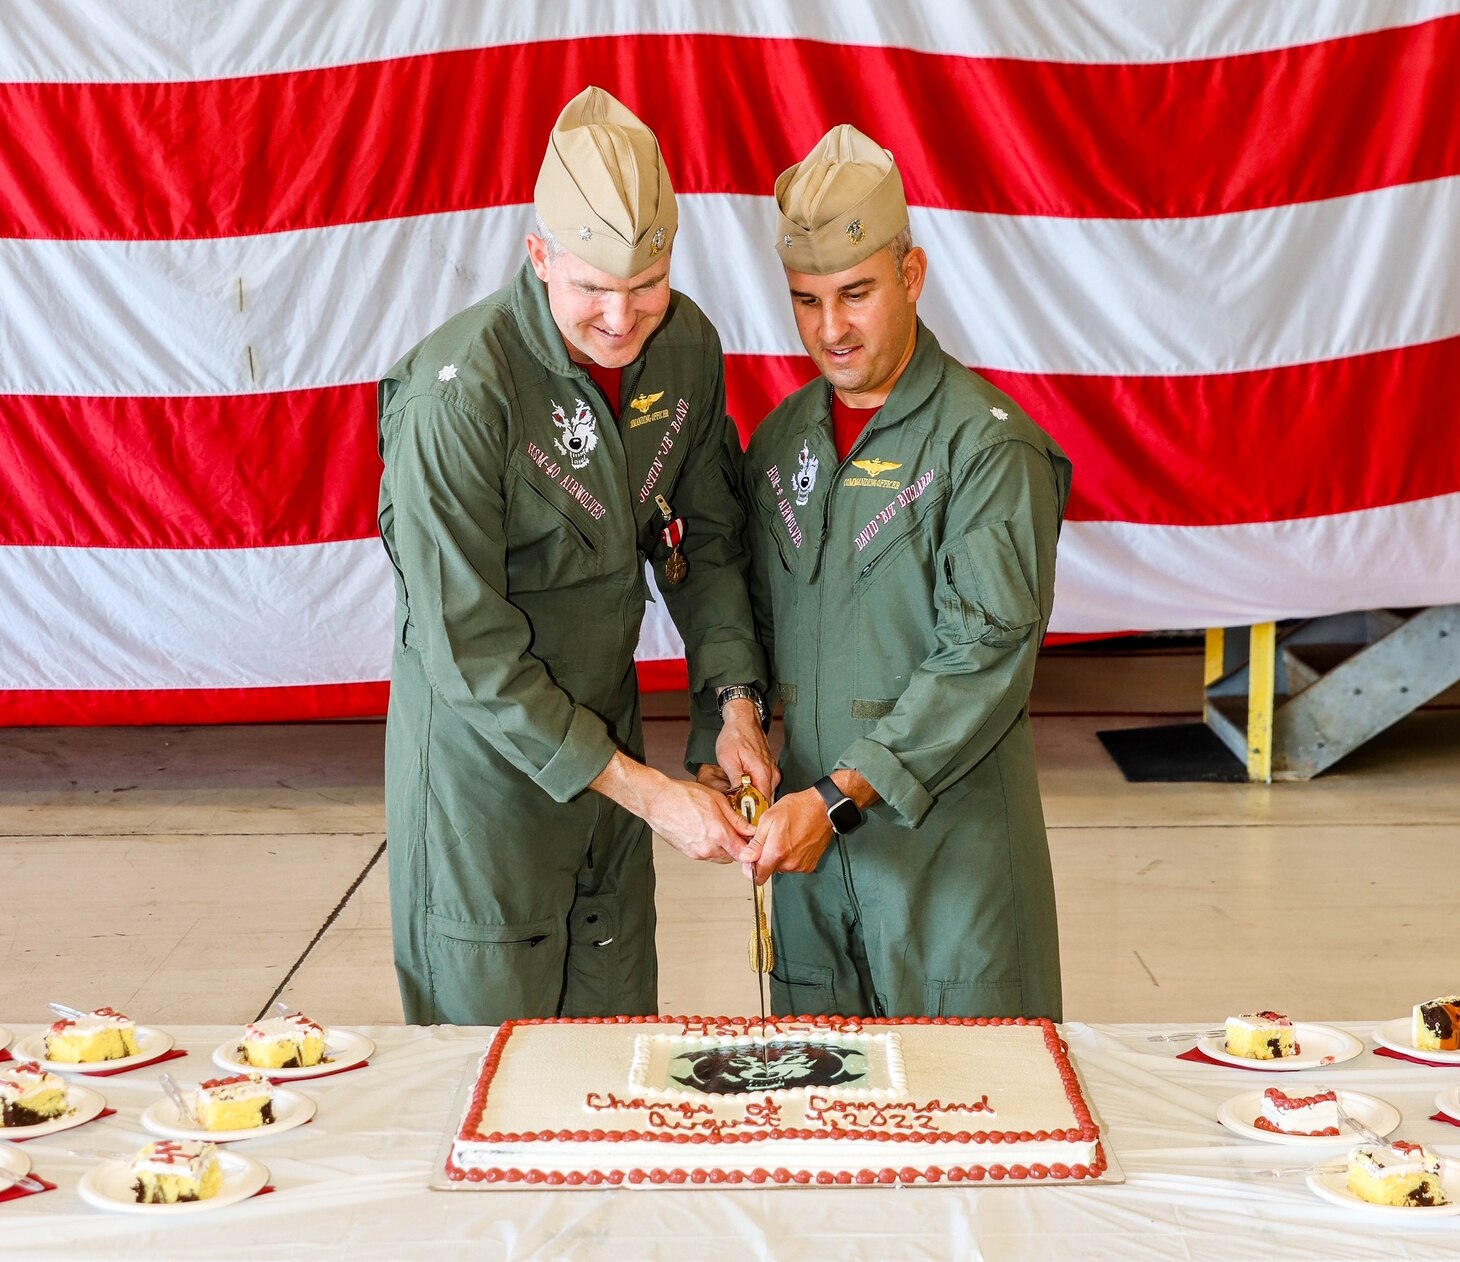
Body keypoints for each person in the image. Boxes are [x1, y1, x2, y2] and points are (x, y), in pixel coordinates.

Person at [376, 87, 774, 1025]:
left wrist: (734, 706)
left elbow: (708, 546)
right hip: (484, 783)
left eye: (646, 283)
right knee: (488, 1080)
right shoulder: (460, 396)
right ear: (539, 254)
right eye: (591, 284)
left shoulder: (684, 351)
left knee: (616, 1051)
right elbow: (468, 649)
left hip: (610, 756)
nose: (619, 317)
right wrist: (652, 796)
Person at [718, 124, 1072, 1020]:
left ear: (910, 277)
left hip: (947, 877)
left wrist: (839, 795)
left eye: (856, 293)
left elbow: (984, 657)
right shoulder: (781, 444)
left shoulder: (986, 448)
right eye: (806, 301)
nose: (831, 329)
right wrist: (737, 725)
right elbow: (748, 621)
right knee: (818, 1128)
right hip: (808, 881)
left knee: (971, 1130)